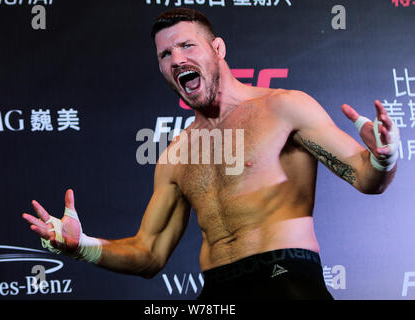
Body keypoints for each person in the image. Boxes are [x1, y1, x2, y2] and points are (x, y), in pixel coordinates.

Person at [22, 8, 399, 300]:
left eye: (187, 46)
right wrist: (80, 246)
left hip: (285, 279)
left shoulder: (284, 107)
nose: (176, 59)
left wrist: (383, 156)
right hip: (218, 291)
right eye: (165, 54)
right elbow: (149, 254)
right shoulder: (176, 154)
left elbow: (366, 178)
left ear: (217, 49)